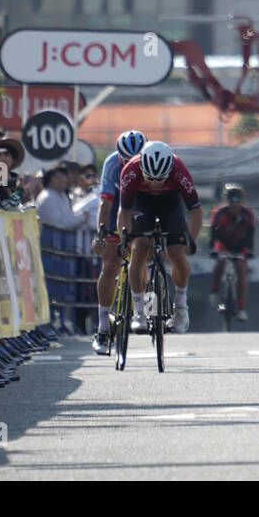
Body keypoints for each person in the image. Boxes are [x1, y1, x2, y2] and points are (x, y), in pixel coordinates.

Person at [116, 141, 202, 335]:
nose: (155, 184)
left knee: (177, 252)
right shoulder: (131, 171)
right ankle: (140, 313)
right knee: (139, 248)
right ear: (142, 170)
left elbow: (196, 211)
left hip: (170, 203)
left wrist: (191, 239)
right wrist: (125, 238)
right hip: (142, 203)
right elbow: (125, 211)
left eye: (160, 179)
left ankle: (180, 306)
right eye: (150, 179)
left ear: (169, 171)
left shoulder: (179, 169)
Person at [90, 129, 147, 355]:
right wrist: (102, 235)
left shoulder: (152, 159)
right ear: (119, 155)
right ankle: (103, 326)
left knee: (145, 258)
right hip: (117, 208)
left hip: (144, 207)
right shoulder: (112, 164)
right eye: (126, 159)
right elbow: (105, 204)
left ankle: (147, 308)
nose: (131, 163)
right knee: (110, 264)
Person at [208, 183, 255, 320]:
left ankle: (241, 307)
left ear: (242, 201)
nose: (234, 204)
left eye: (237, 200)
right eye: (231, 200)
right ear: (226, 201)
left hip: (241, 245)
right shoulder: (219, 213)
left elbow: (251, 233)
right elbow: (213, 232)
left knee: (241, 270)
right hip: (224, 243)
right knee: (221, 263)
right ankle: (215, 290)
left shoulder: (247, 214)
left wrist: (249, 251)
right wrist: (212, 249)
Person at [36, 166, 92, 231]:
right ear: (49, 180)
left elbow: (68, 218)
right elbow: (58, 225)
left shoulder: (61, 195)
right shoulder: (47, 197)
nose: (62, 180)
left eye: (63, 176)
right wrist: (82, 217)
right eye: (57, 177)